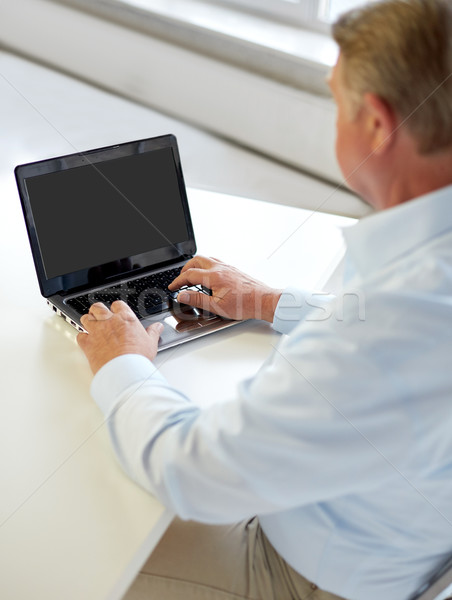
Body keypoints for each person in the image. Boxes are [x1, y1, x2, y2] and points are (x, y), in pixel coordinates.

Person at [77, 1, 452, 598]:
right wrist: (270, 301)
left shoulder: (390, 323)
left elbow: (191, 473)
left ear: (378, 126)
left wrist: (122, 362)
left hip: (306, 575)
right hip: (386, 529)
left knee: (74, 553)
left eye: (337, 100)